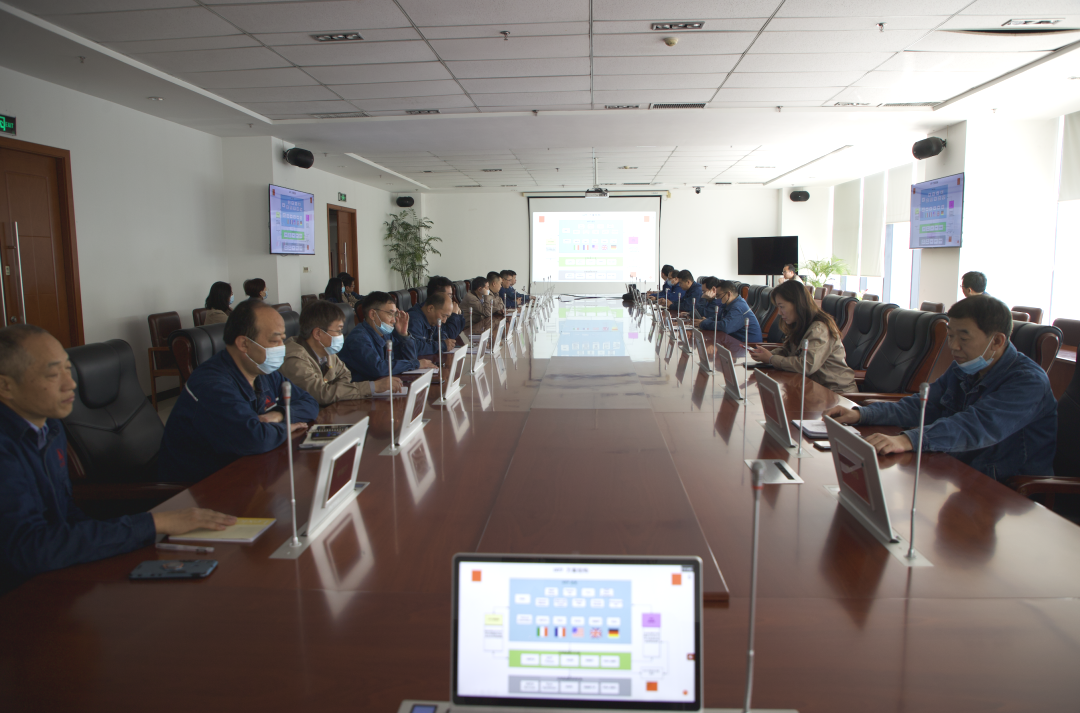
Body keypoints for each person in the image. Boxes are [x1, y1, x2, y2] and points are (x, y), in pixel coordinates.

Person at [0, 325, 237, 593]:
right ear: (6, 386)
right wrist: (153, 524)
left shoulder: (49, 426)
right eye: (54, 374)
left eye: (68, 369)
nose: (71, 384)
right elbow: (27, 549)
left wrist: (123, 543)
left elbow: (67, 513)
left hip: (59, 571)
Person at [824, 295, 1056, 479]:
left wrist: (907, 440)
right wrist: (861, 414)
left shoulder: (1028, 381)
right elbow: (922, 405)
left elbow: (976, 426)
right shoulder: (965, 367)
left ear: (996, 341)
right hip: (956, 469)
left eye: (963, 338)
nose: (953, 346)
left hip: (1007, 490)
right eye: (950, 336)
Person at [158, 300, 319, 483]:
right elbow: (255, 438)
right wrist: (286, 427)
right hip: (198, 488)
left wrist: (279, 415)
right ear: (244, 343)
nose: (282, 347)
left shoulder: (264, 372)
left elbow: (310, 403)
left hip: (246, 472)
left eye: (283, 339)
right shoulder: (211, 385)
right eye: (275, 341)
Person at [281, 300, 400, 405]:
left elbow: (345, 375)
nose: (341, 336)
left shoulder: (327, 351)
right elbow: (321, 394)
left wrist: (335, 391)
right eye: (338, 331)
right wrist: (373, 387)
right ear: (318, 334)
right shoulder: (294, 358)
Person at [748, 279, 856, 394]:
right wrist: (766, 354)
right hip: (811, 386)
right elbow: (788, 350)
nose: (779, 313)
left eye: (782, 307)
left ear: (797, 304)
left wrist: (771, 359)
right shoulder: (800, 324)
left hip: (835, 393)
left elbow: (806, 366)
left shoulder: (819, 329)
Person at [339, 292, 435, 382]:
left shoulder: (385, 334)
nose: (394, 320)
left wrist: (404, 335)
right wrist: (416, 364)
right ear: (373, 314)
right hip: (362, 392)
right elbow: (378, 369)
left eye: (395, 314)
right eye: (390, 314)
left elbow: (409, 358)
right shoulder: (358, 339)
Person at [695, 279, 762, 343]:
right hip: (734, 341)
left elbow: (725, 327)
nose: (716, 299)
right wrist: (706, 320)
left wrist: (704, 323)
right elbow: (717, 319)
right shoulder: (727, 304)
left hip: (747, 346)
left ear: (728, 294)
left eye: (718, 296)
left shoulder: (738, 307)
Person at [408, 291, 457, 356]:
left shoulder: (432, 320)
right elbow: (416, 348)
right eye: (443, 316)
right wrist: (441, 345)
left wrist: (444, 341)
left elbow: (440, 334)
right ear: (430, 308)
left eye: (447, 317)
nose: (444, 321)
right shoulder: (414, 320)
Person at [426, 276, 465, 340]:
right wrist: (454, 315)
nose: (451, 300)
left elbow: (458, 331)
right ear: (437, 295)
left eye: (451, 296)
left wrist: (459, 315)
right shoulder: (434, 312)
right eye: (449, 296)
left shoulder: (445, 309)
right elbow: (450, 336)